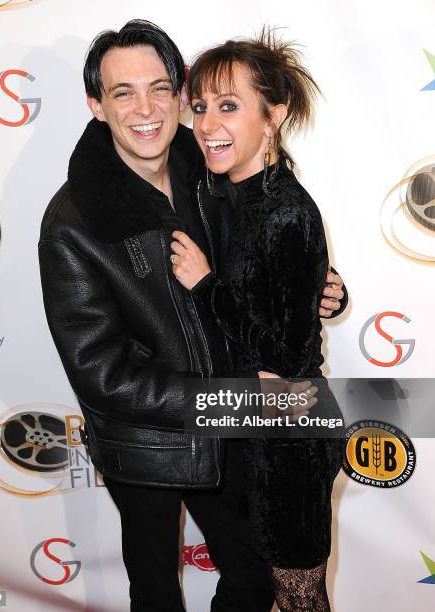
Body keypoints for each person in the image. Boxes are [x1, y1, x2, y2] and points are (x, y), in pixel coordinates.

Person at [38, 20, 346, 612]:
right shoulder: (72, 221)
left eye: (160, 87)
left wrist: (313, 288)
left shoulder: (207, 163)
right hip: (150, 442)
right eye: (122, 92)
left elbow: (257, 253)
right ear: (95, 106)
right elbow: (102, 372)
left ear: (180, 95)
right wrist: (225, 398)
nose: (145, 108)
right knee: (156, 593)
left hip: (233, 431)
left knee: (254, 580)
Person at [171, 29, 346, 611]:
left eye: (228, 106)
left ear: (273, 116)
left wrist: (206, 286)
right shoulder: (220, 194)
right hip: (243, 428)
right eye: (199, 107)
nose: (206, 124)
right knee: (256, 588)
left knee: (299, 599)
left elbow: (289, 361)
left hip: (290, 439)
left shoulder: (286, 211)